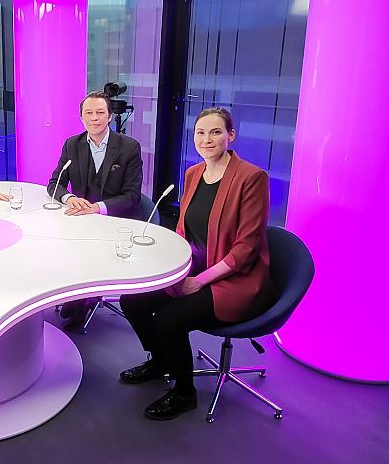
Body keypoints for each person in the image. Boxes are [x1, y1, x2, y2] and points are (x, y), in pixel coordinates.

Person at [117, 107, 275, 420]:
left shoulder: (251, 178)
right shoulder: (193, 174)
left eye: (216, 132)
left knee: (167, 318)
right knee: (131, 300)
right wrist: (177, 274)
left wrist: (198, 282)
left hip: (235, 280)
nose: (207, 139)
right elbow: (183, 231)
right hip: (198, 268)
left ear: (231, 136)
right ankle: (161, 360)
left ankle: (184, 392)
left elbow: (246, 249)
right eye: (200, 132)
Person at [47, 91, 143, 328]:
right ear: (81, 118)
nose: (94, 118)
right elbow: (54, 184)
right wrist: (69, 197)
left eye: (100, 112)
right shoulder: (72, 144)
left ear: (110, 116)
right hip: (82, 223)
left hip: (117, 222)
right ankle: (81, 296)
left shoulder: (129, 147)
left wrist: (97, 208)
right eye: (88, 113)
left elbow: (132, 197)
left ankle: (84, 299)